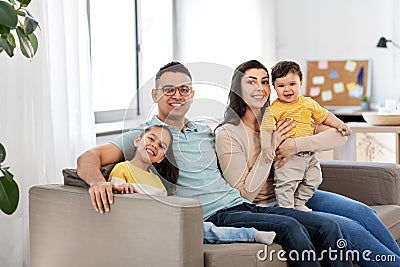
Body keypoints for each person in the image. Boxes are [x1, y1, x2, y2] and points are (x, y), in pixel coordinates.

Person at [77, 61, 353, 266]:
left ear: (192, 94)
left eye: (184, 89)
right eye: (168, 89)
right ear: (155, 95)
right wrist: (98, 182)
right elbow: (89, 158)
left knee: (327, 226)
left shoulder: (206, 130)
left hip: (242, 205)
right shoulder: (146, 135)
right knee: (291, 228)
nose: (177, 95)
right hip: (211, 215)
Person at [215, 59, 400, 267]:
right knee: (349, 227)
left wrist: (295, 145)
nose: (259, 87)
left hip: (299, 193)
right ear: (237, 88)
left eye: (264, 81)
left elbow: (338, 136)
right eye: (251, 82)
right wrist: (270, 150)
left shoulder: (286, 114)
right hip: (269, 205)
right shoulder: (228, 133)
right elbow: (243, 194)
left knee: (363, 212)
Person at [109, 124, 276, 245]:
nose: (154, 145)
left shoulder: (157, 179)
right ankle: (251, 235)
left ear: (161, 158)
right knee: (204, 231)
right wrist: (124, 187)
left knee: (206, 229)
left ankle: (252, 234)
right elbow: (115, 184)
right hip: (144, 224)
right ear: (137, 140)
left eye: (161, 146)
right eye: (151, 139)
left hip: (163, 222)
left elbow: (165, 204)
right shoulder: (123, 168)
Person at [259, 60, 351, 212]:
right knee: (285, 184)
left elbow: (325, 116)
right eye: (281, 86)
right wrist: (268, 147)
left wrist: (339, 124)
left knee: (315, 178)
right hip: (287, 157)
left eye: (292, 84)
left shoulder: (309, 103)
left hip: (309, 154)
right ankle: (287, 209)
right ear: (274, 87)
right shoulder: (273, 110)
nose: (287, 89)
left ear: (301, 82)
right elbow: (266, 131)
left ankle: (298, 203)